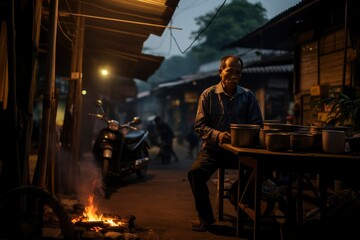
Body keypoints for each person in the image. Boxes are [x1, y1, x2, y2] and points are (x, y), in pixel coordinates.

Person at [187, 55, 263, 231]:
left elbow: (257, 124)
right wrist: (218, 135)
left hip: (240, 152)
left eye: (238, 72)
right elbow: (199, 126)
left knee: (260, 171)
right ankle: (205, 217)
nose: (234, 75)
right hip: (214, 150)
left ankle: (238, 195)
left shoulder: (248, 96)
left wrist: (245, 135)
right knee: (195, 173)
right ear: (221, 72)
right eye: (230, 71)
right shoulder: (208, 95)